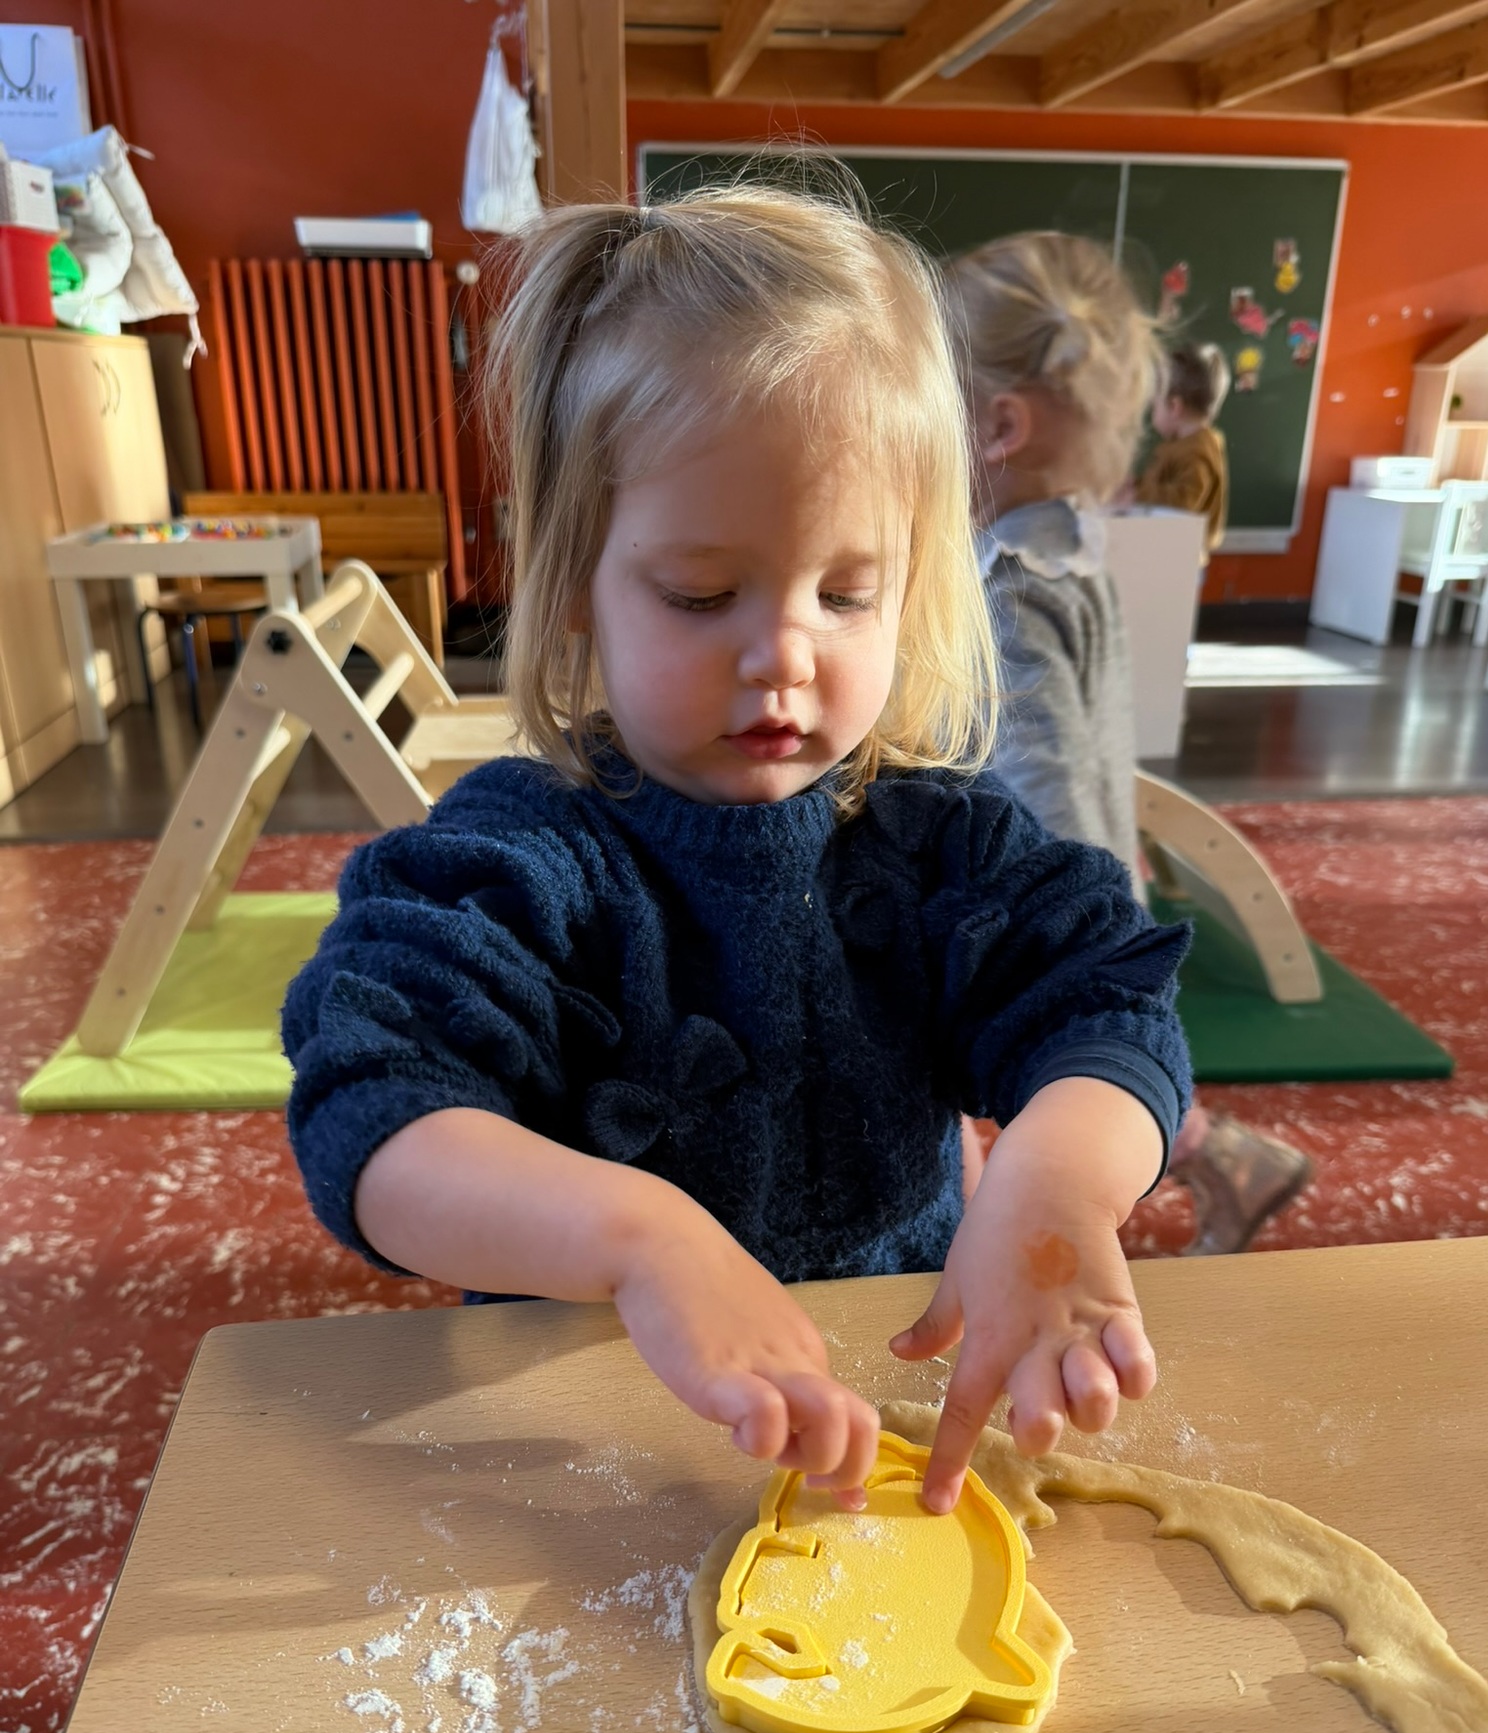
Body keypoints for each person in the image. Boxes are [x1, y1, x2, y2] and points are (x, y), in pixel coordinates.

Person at [282, 185, 1193, 1517]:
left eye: (847, 592)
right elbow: (374, 1110)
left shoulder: (938, 845)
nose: (783, 654)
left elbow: (1104, 1001)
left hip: (882, 1405)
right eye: (702, 594)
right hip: (599, 1430)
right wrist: (641, 1243)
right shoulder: (524, 858)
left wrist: (1054, 1179)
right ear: (578, 580)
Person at [944, 233, 1311, 1256]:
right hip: (1097, 869)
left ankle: (989, 1253)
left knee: (999, 1085)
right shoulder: (1072, 551)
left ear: (997, 426)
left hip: (1039, 896)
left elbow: (1042, 769)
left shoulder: (1007, 587)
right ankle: (1224, 1160)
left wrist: (1080, 913)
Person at [1136, 342, 1231, 555]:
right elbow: (1163, 485)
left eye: (1154, 405)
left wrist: (1137, 493)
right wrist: (1135, 486)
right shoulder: (1180, 444)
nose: (1152, 412)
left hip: (1181, 557)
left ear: (1174, 407)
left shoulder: (1198, 451)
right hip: (1167, 547)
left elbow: (1182, 504)